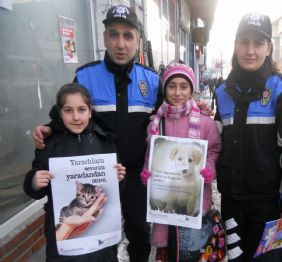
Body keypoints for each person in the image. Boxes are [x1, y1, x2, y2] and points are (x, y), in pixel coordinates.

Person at [32, 5, 162, 261]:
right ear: (104, 38)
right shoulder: (85, 76)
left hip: (136, 178)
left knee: (139, 235)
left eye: (128, 36)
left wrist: (196, 109)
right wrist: (48, 128)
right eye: (114, 35)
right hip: (98, 178)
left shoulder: (153, 81)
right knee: (101, 238)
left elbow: (168, 115)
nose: (121, 43)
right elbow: (65, 116)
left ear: (138, 40)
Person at [214, 13, 282, 262]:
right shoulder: (221, 92)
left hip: (269, 208)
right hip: (232, 204)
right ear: (235, 45)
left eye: (258, 43)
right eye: (244, 42)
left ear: (269, 48)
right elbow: (214, 143)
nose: (250, 50)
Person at [23, 83, 126, 261]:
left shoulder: (105, 140)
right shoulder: (49, 142)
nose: (76, 117)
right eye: (68, 110)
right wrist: (34, 181)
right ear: (60, 112)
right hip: (63, 239)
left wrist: (119, 178)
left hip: (100, 235)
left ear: (90, 111)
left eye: (82, 109)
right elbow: (35, 188)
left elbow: (115, 190)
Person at [139, 63, 222, 261]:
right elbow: (152, 154)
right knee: (169, 253)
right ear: (165, 89)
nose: (177, 92)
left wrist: (209, 168)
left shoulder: (206, 123)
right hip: (165, 205)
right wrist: (147, 174)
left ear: (191, 90)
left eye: (183, 87)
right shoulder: (156, 123)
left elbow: (214, 151)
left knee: (191, 251)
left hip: (193, 202)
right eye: (172, 86)